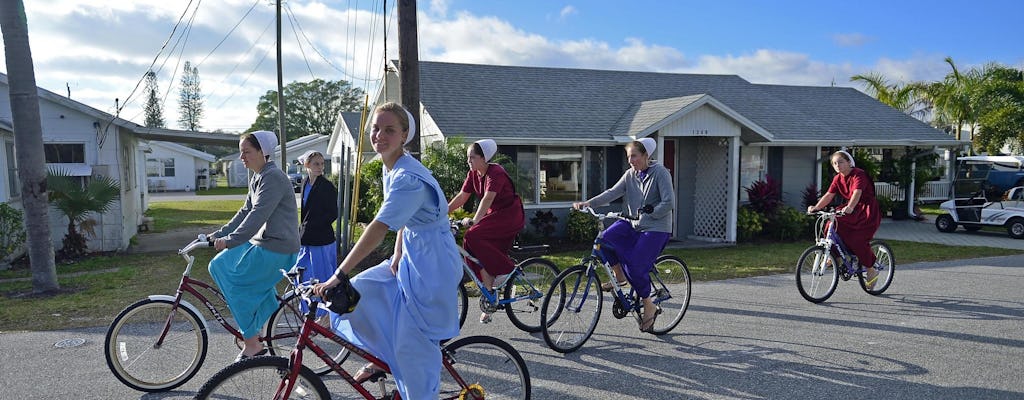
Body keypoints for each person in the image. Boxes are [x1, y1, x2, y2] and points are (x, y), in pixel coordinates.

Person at [313, 102, 461, 399]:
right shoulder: (390, 165)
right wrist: (397, 250)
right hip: (413, 251)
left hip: (432, 264)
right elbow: (405, 219)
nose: (379, 135)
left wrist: (338, 275)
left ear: (404, 136)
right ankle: (382, 359)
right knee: (364, 288)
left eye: (389, 130)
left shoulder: (407, 178)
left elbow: (379, 226)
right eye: (376, 128)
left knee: (412, 344)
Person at [208, 130, 300, 361]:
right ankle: (266, 304)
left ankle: (252, 342)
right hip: (262, 242)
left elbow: (258, 215)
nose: (242, 158)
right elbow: (245, 211)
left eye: (246, 152)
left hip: (278, 248)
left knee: (237, 284)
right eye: (241, 153)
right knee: (218, 266)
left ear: (263, 152)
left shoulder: (274, 178)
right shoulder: (258, 177)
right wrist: (217, 234)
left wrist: (231, 241)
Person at [572, 137, 674, 333]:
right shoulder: (630, 174)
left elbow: (668, 202)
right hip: (632, 222)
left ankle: (649, 304)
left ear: (646, 156)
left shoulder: (660, 173)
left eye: (634, 156)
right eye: (629, 157)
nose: (631, 160)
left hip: (656, 227)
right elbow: (612, 192)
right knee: (604, 241)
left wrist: (650, 211)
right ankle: (619, 278)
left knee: (635, 267)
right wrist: (589, 203)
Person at [447, 139, 526, 323]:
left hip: (509, 216)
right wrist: (440, 212)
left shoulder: (495, 172)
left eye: (472, 157)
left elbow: (487, 199)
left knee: (473, 235)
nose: (468, 161)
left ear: (484, 158)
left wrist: (475, 220)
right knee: (471, 246)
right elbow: (462, 196)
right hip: (495, 217)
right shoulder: (473, 174)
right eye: (468, 158)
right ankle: (490, 298)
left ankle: (506, 270)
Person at [807, 150, 882, 288]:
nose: (838, 165)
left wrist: (850, 207)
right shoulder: (838, 178)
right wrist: (816, 208)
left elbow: (857, 193)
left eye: (841, 162)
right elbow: (829, 195)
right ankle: (834, 255)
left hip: (866, 211)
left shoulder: (858, 174)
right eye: (835, 163)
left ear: (848, 162)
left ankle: (871, 269)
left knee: (857, 240)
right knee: (831, 223)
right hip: (850, 209)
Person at [294, 150, 339, 323]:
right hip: (307, 238)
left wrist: (313, 225)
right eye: (316, 164)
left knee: (323, 277)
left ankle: (327, 314)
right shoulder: (305, 182)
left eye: (322, 164)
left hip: (322, 240)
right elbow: (305, 211)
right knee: (304, 275)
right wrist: (304, 229)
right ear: (307, 165)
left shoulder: (327, 186)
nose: (320, 167)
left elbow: (332, 214)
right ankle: (310, 311)